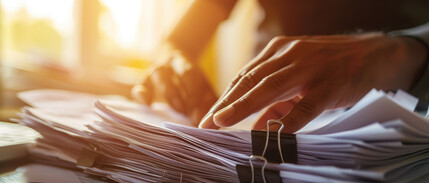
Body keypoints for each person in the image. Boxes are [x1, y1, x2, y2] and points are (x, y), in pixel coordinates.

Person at [132, 0, 429, 133]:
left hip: (407, 116)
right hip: (261, 120)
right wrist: (172, 61)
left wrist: (404, 51)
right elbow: (180, 41)